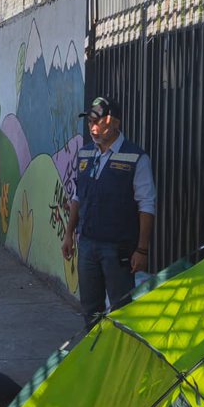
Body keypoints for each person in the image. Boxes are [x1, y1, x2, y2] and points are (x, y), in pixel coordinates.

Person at [61, 96, 156, 328]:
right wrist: (69, 234)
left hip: (118, 250)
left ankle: (120, 357)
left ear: (115, 123)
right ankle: (95, 356)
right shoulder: (85, 154)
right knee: (90, 309)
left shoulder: (136, 158)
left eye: (99, 122)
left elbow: (147, 206)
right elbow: (77, 196)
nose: (93, 128)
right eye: (90, 122)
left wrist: (142, 250)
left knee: (120, 309)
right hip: (87, 245)